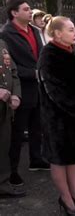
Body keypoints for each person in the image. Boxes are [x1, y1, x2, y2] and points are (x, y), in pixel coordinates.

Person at [37, 16, 75, 214]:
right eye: (71, 30)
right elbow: (56, 91)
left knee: (73, 157)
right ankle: (65, 198)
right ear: (57, 33)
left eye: (74, 29)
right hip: (58, 117)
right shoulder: (48, 54)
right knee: (60, 158)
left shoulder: (72, 49)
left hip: (74, 116)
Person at [1, 0, 49, 189]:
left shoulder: (35, 31)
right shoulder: (6, 34)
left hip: (37, 88)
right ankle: (11, 171)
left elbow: (41, 55)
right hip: (20, 89)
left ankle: (36, 159)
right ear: (14, 12)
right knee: (17, 133)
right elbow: (8, 67)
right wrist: (33, 73)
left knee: (37, 126)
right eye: (26, 9)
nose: (31, 12)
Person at [0, 40, 24, 198]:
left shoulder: (2, 43)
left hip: (4, 107)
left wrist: (16, 93)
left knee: (3, 145)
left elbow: (12, 72)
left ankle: (2, 182)